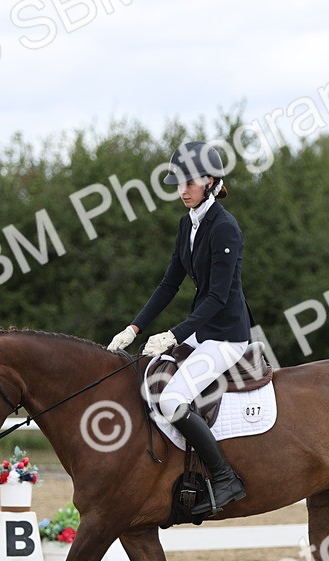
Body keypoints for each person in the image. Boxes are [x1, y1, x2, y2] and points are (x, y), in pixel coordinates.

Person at [106, 141, 252, 516]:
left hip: (226, 335)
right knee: (141, 371)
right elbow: (169, 284)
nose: (182, 190)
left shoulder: (225, 228)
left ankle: (224, 478)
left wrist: (174, 333)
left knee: (171, 400)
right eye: (178, 183)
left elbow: (218, 297)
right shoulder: (187, 223)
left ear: (212, 181)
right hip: (201, 331)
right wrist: (135, 327)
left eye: (190, 183)